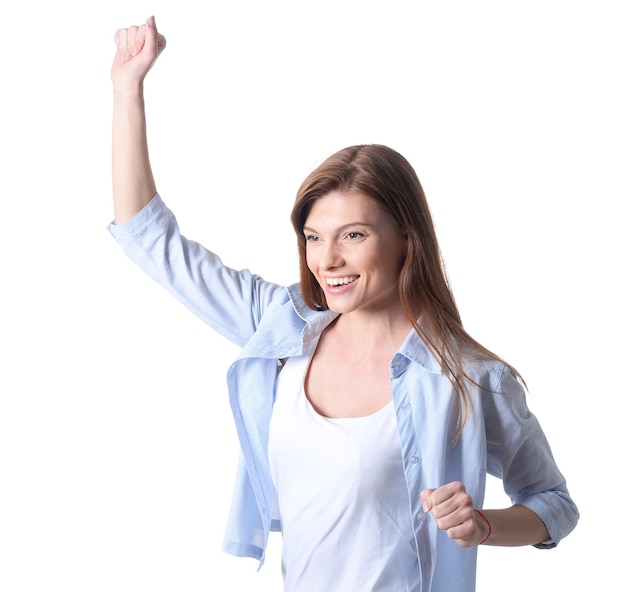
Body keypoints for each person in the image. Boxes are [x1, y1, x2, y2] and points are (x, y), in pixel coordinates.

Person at [109, 16, 578, 592]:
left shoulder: (468, 379)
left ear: (406, 236)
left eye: (353, 235)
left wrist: (483, 524)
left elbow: (554, 504)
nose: (326, 259)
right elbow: (148, 240)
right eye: (313, 236)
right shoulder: (281, 330)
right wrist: (128, 88)